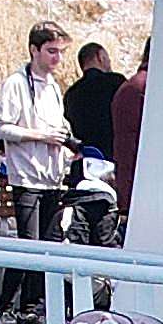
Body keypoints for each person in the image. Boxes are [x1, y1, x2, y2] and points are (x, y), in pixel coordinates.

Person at [0, 22, 79, 319]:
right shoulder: (16, 83)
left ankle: (32, 307)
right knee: (29, 244)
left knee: (47, 245)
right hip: (27, 176)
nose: (57, 59)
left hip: (52, 176)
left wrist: (65, 142)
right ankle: (6, 307)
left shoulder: (52, 86)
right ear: (34, 50)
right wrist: (40, 136)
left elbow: (58, 126)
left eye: (61, 52)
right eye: (51, 51)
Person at [65, 40, 129, 245]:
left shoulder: (72, 94)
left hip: (86, 166)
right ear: (100, 57)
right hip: (113, 165)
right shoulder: (116, 83)